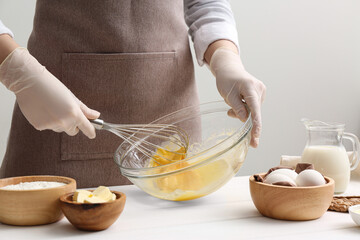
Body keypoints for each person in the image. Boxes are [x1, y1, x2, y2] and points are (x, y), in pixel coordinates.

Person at [0, 0, 266, 187]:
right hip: (52, 118)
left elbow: (204, 2)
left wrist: (225, 58)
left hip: (171, 124)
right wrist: (19, 71)